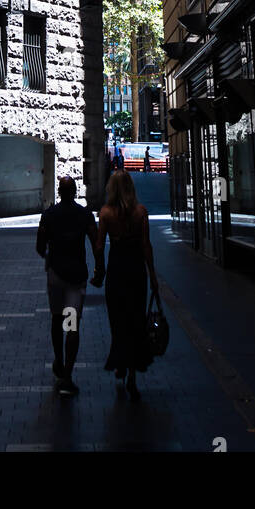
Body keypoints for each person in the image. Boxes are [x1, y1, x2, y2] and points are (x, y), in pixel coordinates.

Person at [91, 171, 157, 402]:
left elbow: (99, 246)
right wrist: (154, 278)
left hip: (117, 271)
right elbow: (146, 246)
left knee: (118, 321)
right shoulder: (141, 213)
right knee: (136, 320)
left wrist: (99, 271)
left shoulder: (106, 214)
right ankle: (131, 373)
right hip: (136, 271)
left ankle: (120, 361)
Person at [36, 176, 102, 398]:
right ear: (75, 191)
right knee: (72, 324)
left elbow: (39, 245)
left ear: (59, 191)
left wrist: (48, 254)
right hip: (76, 276)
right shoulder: (84, 214)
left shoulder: (49, 214)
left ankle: (58, 358)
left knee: (56, 318)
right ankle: (67, 374)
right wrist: (100, 269)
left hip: (56, 275)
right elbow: (96, 243)